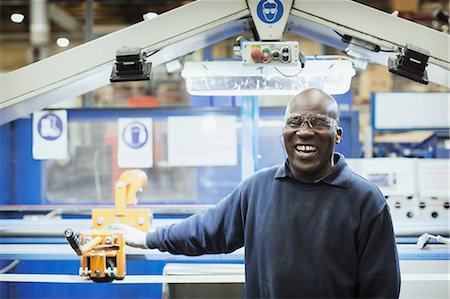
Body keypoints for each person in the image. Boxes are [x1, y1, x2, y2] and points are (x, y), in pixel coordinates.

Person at [114, 88, 401, 298]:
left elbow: (382, 289)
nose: (304, 131)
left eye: (318, 123)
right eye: (295, 122)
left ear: (337, 134)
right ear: (283, 132)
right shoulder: (258, 189)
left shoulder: (365, 200)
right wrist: (146, 238)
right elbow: (205, 229)